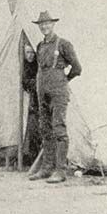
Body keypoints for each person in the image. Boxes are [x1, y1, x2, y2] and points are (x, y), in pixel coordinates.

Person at [28, 11, 82, 184]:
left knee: (59, 129)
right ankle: (46, 168)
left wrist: (63, 80)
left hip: (58, 93)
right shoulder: (40, 46)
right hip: (42, 92)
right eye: (41, 24)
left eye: (47, 24)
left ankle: (60, 171)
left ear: (53, 25)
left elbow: (77, 68)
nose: (44, 27)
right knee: (45, 129)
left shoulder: (63, 44)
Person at [22, 42, 41, 164]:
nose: (30, 56)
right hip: (31, 102)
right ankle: (30, 156)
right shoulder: (22, 66)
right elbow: (25, 82)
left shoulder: (37, 65)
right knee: (32, 129)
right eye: (28, 52)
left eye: (32, 53)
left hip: (37, 101)